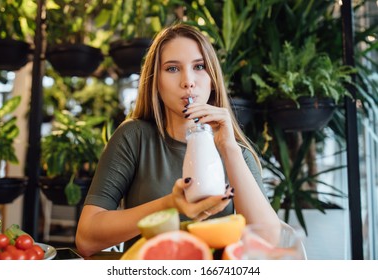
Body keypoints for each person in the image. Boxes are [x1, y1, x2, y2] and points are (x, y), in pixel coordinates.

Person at [75, 23, 280, 257]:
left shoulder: (235, 153)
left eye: (199, 66)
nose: (188, 81)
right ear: (156, 81)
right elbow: (86, 239)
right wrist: (169, 204)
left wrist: (229, 148)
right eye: (172, 69)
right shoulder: (134, 138)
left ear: (212, 79)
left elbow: (269, 244)